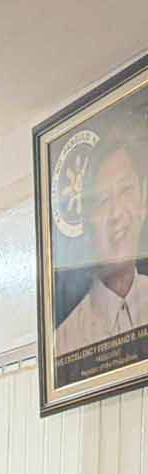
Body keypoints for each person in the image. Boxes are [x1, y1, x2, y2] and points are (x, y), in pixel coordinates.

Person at [55, 133, 148, 357]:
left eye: (125, 190)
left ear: (143, 201)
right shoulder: (64, 343)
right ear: (87, 221)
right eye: (103, 200)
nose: (116, 213)